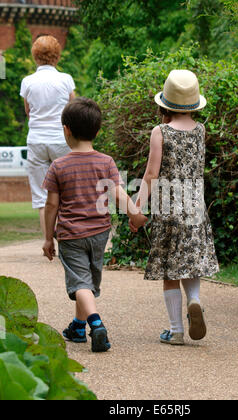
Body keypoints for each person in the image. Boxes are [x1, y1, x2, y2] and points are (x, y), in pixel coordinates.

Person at [42, 97, 147, 353]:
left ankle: (95, 324)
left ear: (65, 129)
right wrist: (134, 214)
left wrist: (47, 238)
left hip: (71, 235)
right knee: (87, 282)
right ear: (98, 131)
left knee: (79, 283)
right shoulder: (105, 162)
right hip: (99, 234)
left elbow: (51, 206)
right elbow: (119, 194)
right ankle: (78, 327)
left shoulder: (59, 166)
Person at [130, 70, 219, 345]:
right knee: (190, 264)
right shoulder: (200, 130)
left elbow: (151, 175)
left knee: (170, 271)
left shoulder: (160, 132)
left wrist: (137, 208)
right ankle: (194, 300)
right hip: (194, 206)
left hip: (168, 207)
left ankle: (176, 330)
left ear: (164, 103)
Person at [20, 35, 76, 236]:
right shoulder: (65, 79)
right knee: (66, 192)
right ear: (57, 56)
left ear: (35, 56)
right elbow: (73, 110)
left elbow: (28, 111)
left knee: (41, 195)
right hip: (61, 140)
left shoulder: (27, 82)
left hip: (36, 140)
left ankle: (47, 242)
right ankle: (66, 240)